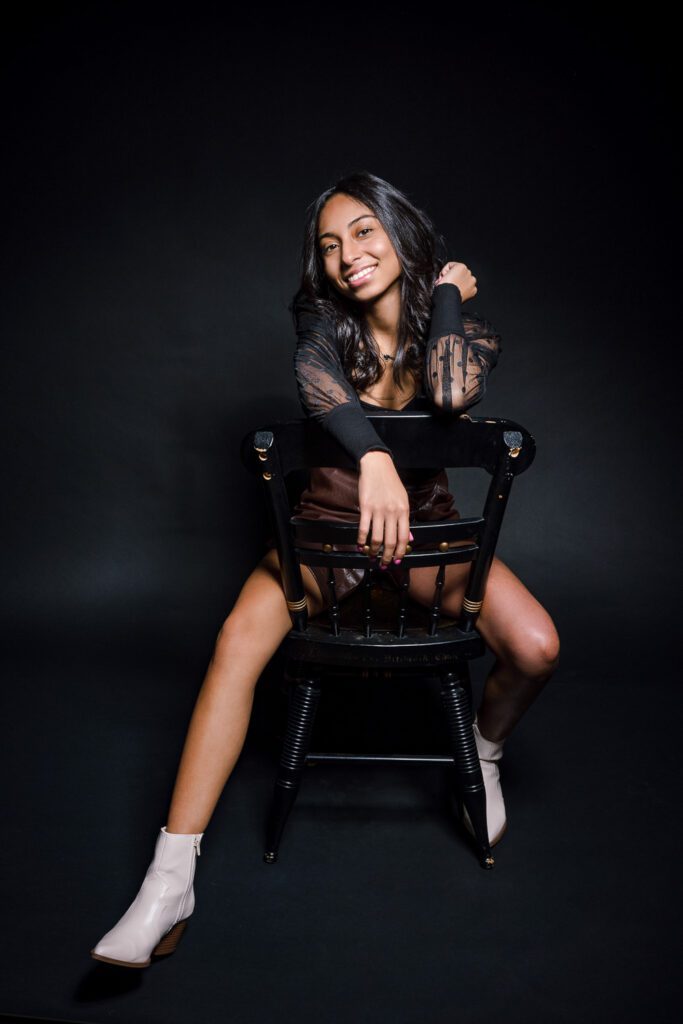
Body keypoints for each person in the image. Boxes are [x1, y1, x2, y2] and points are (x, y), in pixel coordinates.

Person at [90, 171, 560, 969]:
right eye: (330, 244)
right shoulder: (318, 318)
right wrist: (373, 455)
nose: (347, 256)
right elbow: (316, 388)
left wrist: (443, 294)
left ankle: (478, 755)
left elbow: (448, 391)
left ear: (401, 235)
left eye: (365, 233)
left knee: (538, 646)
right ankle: (168, 880)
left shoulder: (465, 334)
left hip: (424, 540)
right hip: (321, 540)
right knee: (237, 640)